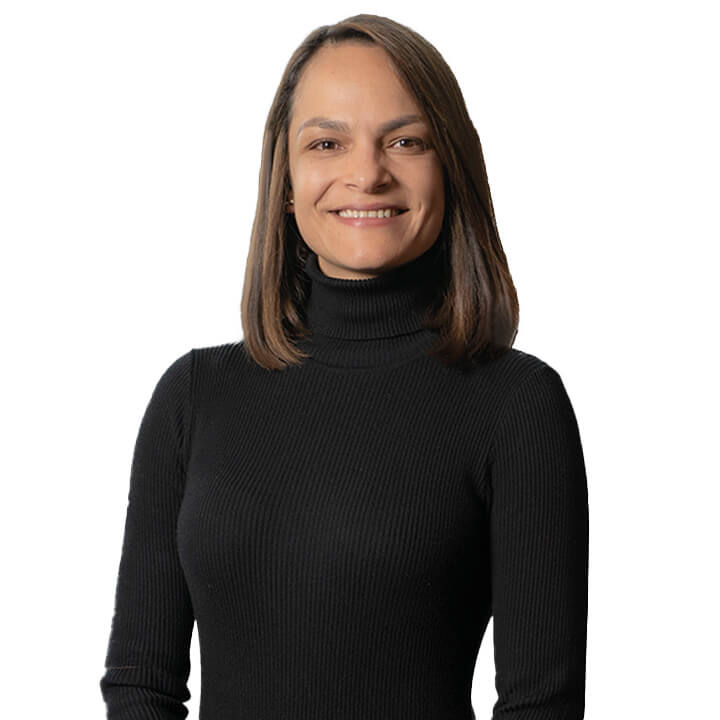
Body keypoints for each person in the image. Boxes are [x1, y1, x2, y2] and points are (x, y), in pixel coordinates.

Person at [99, 13, 589, 720]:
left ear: (449, 167)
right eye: (327, 143)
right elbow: (139, 685)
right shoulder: (193, 397)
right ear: (287, 178)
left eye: (406, 141)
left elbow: (541, 706)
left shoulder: (516, 403)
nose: (366, 174)